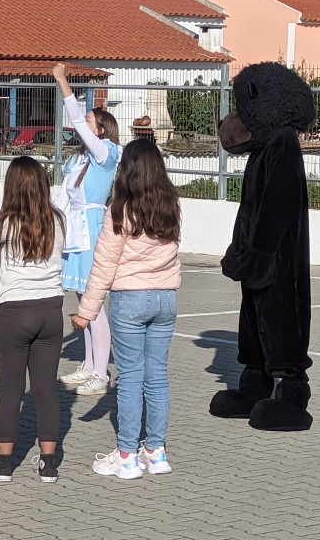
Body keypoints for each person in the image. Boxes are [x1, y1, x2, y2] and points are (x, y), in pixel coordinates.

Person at [75, 139, 182, 480]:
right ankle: (156, 451)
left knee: (131, 378)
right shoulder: (171, 205)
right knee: (157, 376)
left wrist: (86, 311)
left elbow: (104, 265)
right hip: (166, 298)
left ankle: (126, 456)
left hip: (130, 299)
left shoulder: (119, 210)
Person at [0, 156, 65, 483]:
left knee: (11, 389)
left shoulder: (7, 221)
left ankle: (3, 462)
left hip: (14, 310)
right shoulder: (57, 219)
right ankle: (48, 462)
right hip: (51, 308)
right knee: (46, 388)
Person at [51, 63, 122, 397]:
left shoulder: (106, 154)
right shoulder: (78, 159)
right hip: (75, 229)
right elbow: (63, 195)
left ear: (102, 130)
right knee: (83, 300)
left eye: (91, 122)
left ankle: (101, 373)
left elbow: (78, 120)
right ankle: (90, 364)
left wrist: (63, 82)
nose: (83, 126)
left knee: (94, 303)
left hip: (92, 229)